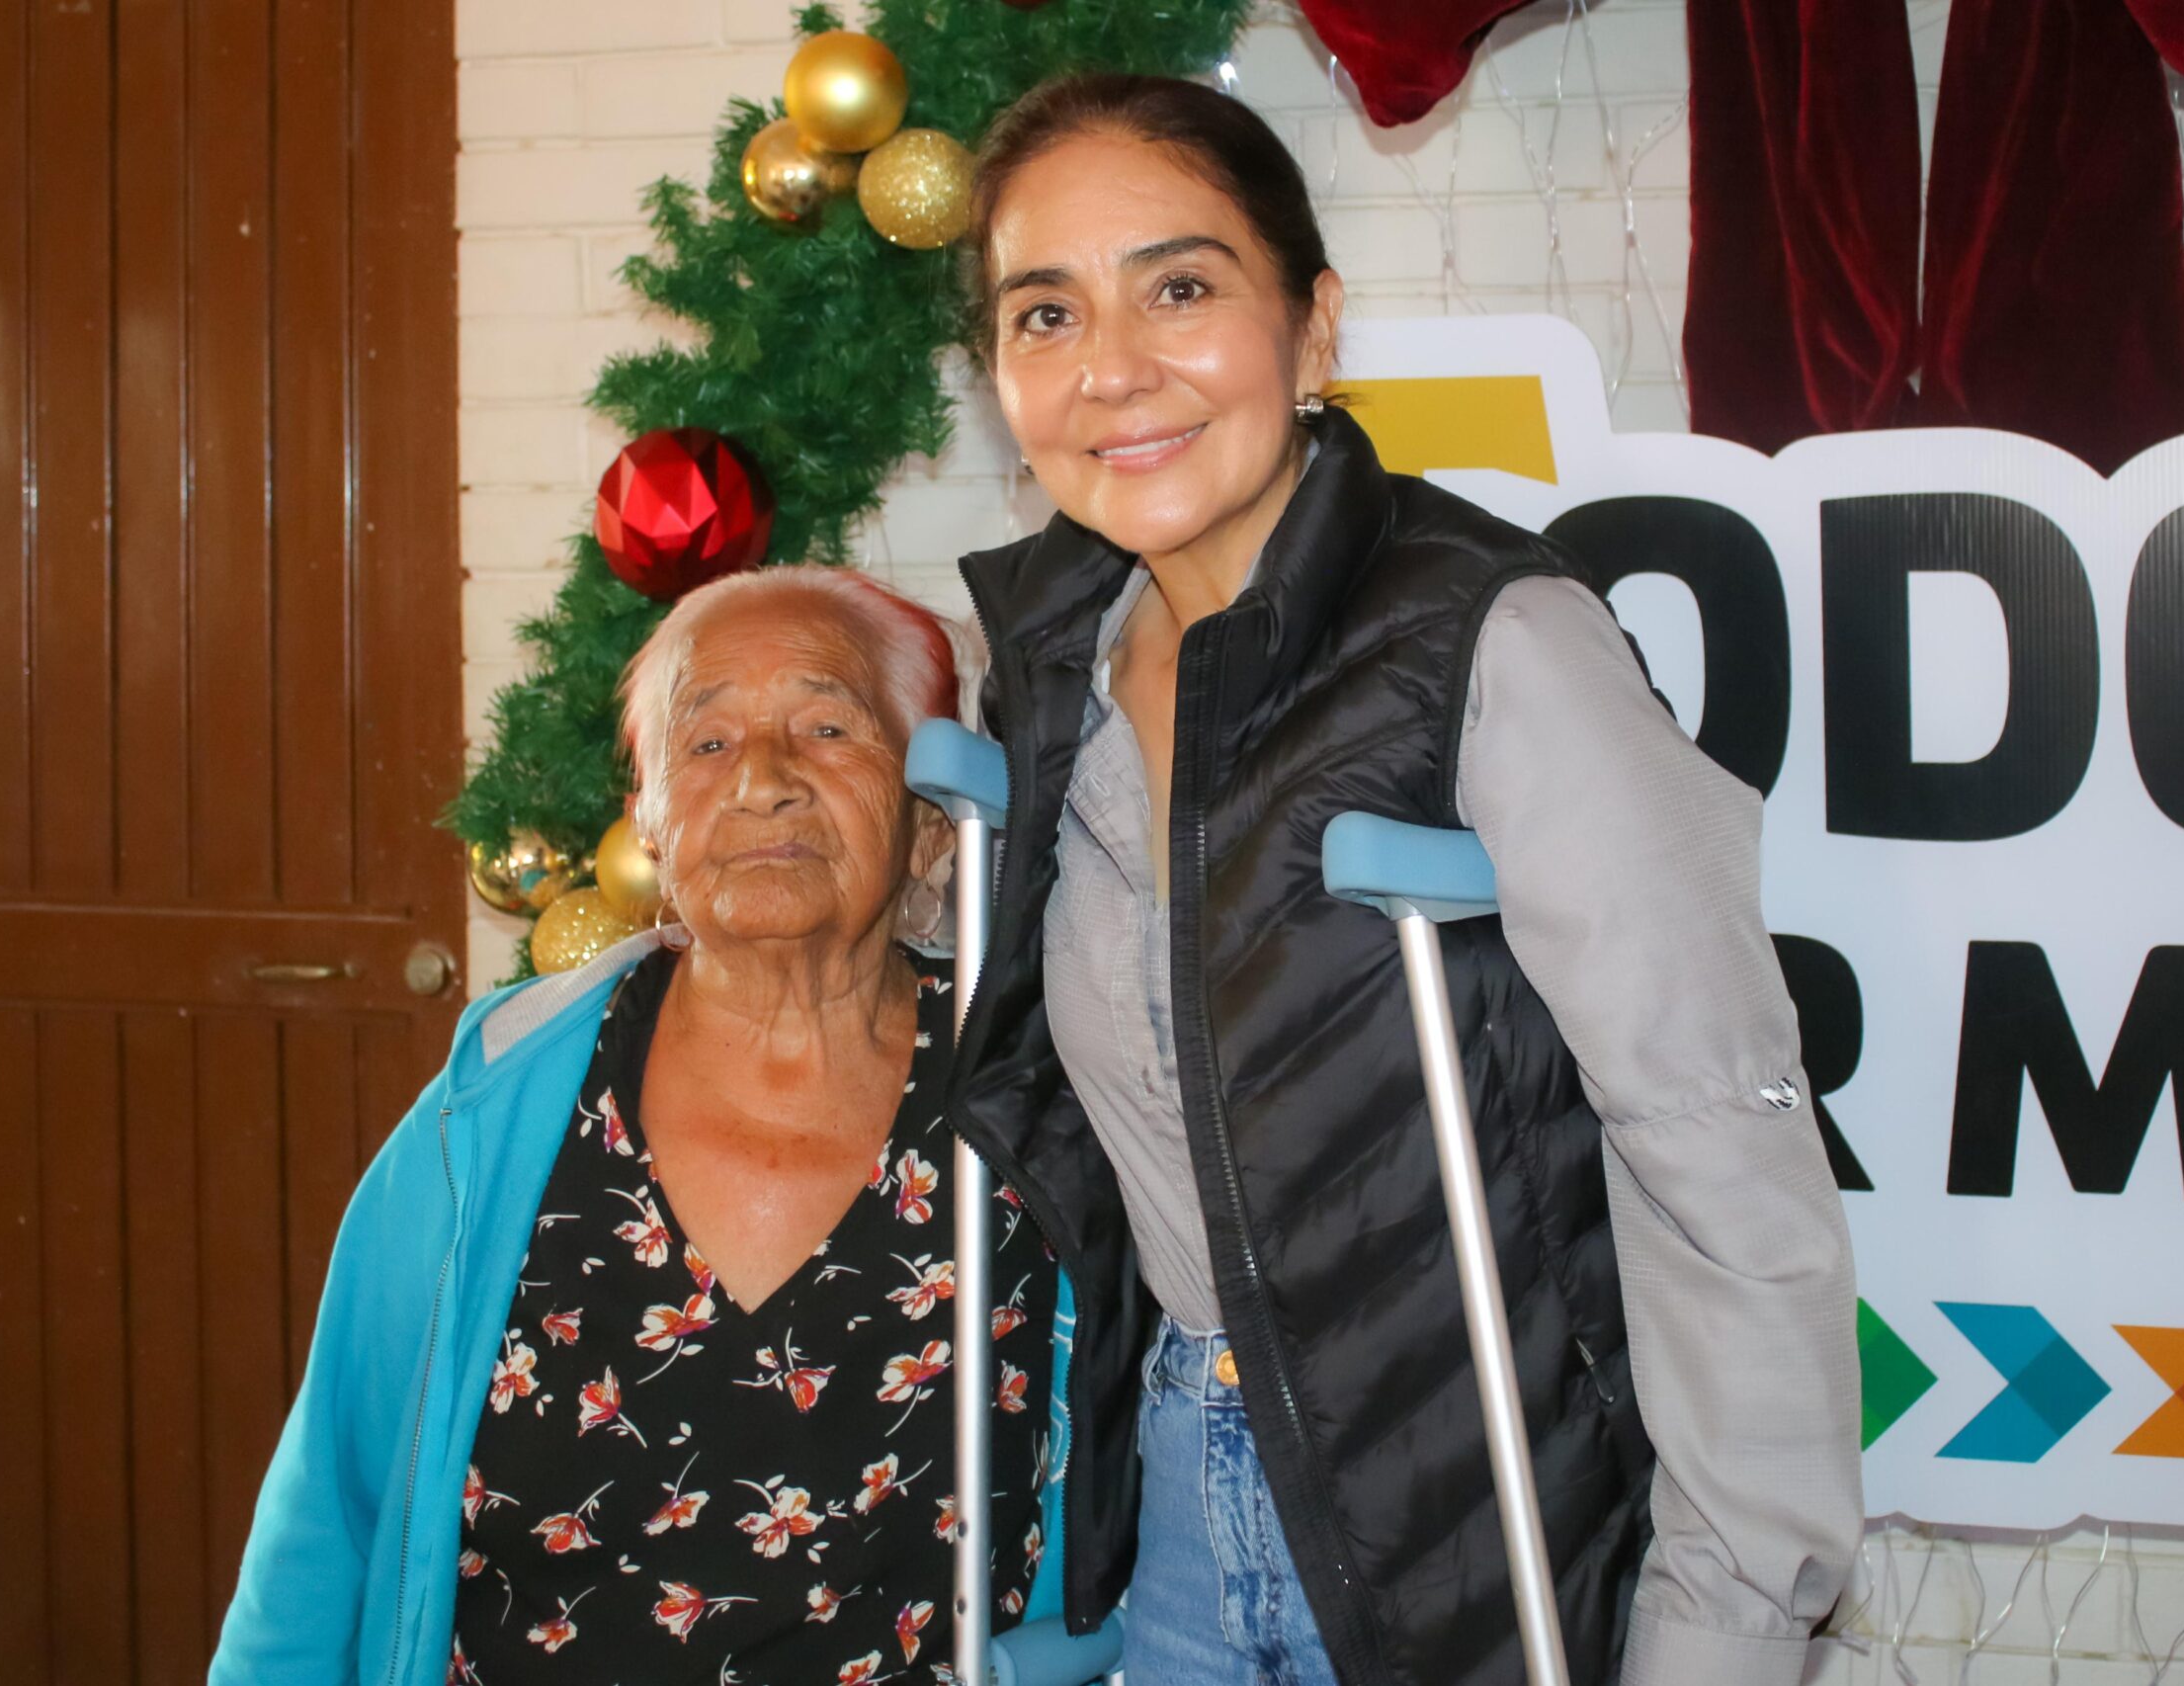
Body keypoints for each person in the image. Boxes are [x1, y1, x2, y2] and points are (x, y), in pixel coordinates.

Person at [939, 73, 1861, 1686]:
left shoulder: (1497, 641)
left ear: (1311, 331)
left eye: (1179, 288)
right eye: (1046, 314)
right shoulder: (1048, 674)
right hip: (1182, 1513)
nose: (1112, 367)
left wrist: (1728, 1632)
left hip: (1479, 1532)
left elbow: (1722, 1155)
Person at [210, 567, 1058, 1686]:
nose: (763, 780)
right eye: (706, 743)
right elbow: (329, 1515)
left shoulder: (1031, 1106)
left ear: (930, 827)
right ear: (651, 825)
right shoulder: (497, 1111)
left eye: (828, 727)